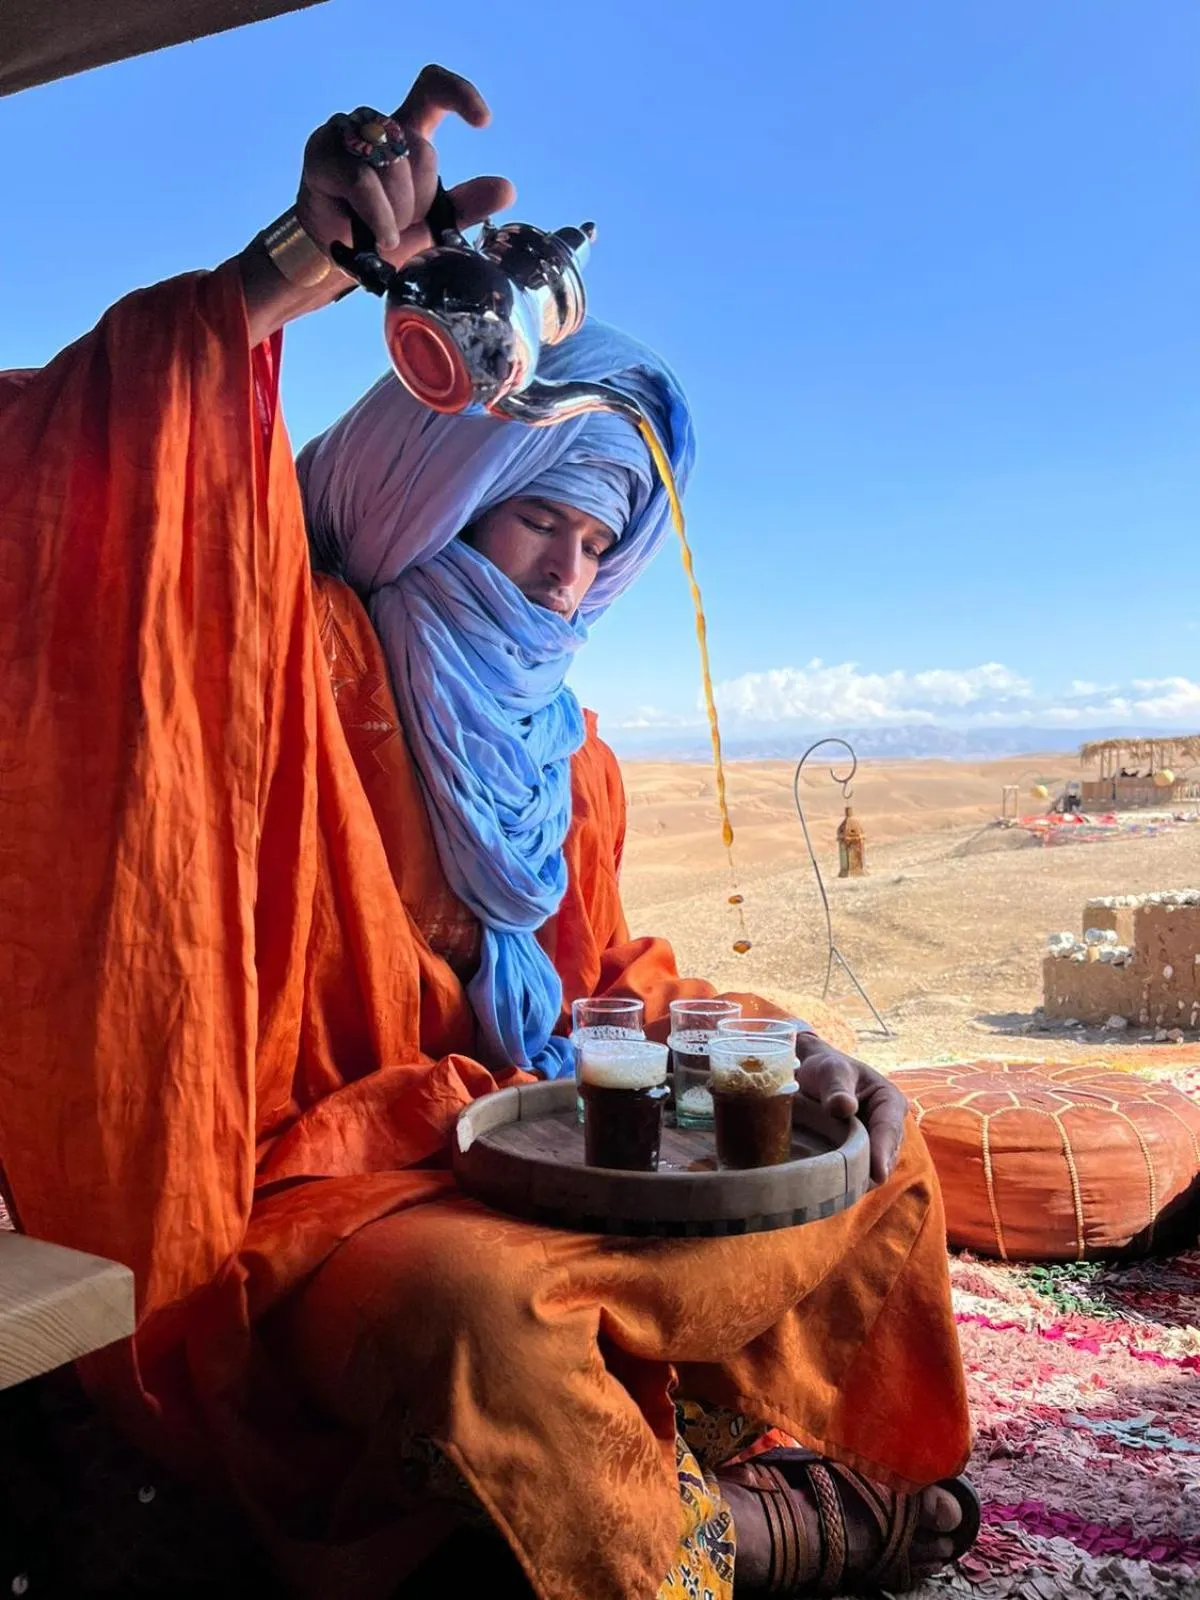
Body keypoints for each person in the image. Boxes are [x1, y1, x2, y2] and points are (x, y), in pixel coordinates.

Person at [0, 66, 975, 1600]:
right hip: (317, 1192)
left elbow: (600, 969)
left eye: (603, 549)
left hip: (522, 1137)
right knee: (488, 1328)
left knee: (873, 1153)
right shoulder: (289, 650)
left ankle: (733, 1485)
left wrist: (777, 1055)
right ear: (437, 484)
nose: (568, 585)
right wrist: (290, 274)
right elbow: (104, 506)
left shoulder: (560, 754)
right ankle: (724, 1534)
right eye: (538, 521)